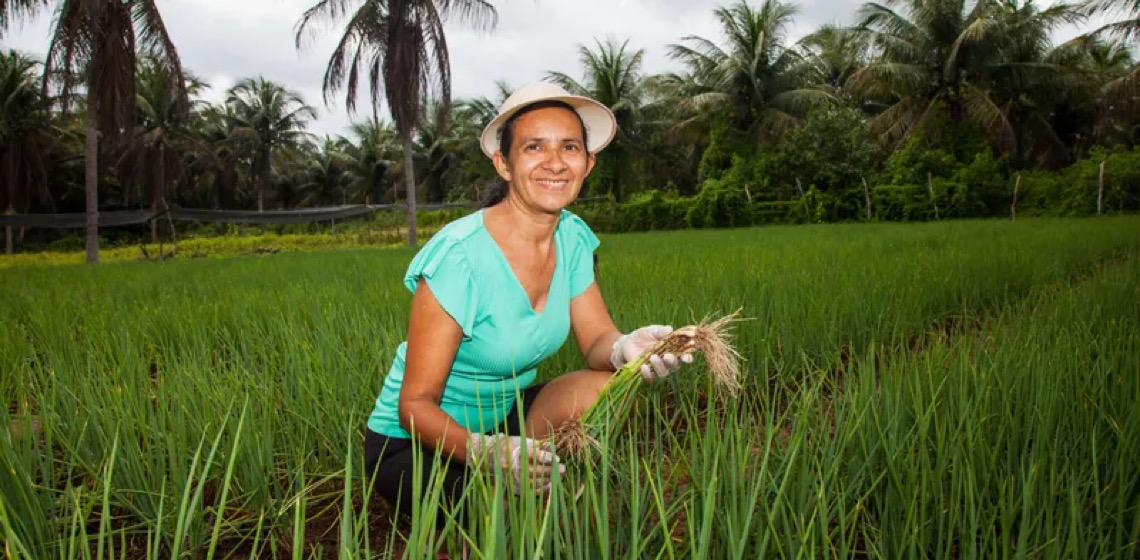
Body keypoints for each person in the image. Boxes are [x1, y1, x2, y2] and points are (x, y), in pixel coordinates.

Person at [363, 82, 693, 526]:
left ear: (588, 163)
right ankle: (473, 517)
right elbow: (415, 404)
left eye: (570, 147)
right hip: (417, 443)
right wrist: (488, 453)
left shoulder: (572, 236)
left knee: (608, 389)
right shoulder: (459, 256)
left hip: (504, 419)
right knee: (509, 521)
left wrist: (626, 349)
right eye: (534, 146)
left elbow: (596, 338)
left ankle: (527, 486)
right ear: (503, 163)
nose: (555, 162)